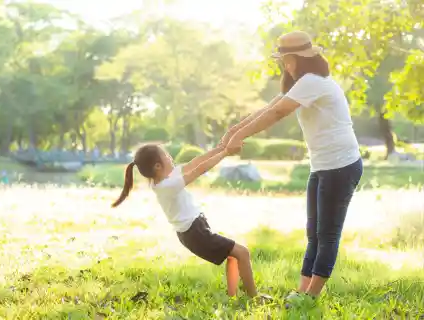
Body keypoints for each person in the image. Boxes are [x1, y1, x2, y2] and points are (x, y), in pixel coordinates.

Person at [221, 31, 363, 305]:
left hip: (341, 165)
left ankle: (311, 297)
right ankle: (302, 291)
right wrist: (235, 130)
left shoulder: (313, 82)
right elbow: (270, 106)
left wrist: (239, 137)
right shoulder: (302, 83)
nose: (284, 65)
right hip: (322, 165)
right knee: (314, 232)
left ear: (298, 58)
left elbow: (276, 114)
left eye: (286, 59)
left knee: (327, 234)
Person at [111, 143, 270, 300]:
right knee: (243, 252)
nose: (170, 157)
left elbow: (195, 162)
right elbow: (199, 170)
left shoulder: (164, 179)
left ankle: (233, 295)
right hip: (194, 233)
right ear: (158, 166)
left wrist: (221, 148)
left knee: (234, 256)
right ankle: (254, 297)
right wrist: (225, 153)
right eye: (166, 155)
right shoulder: (168, 185)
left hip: (194, 230)